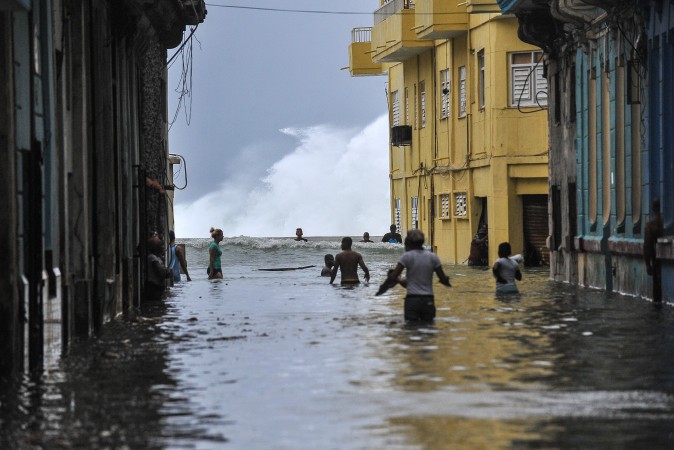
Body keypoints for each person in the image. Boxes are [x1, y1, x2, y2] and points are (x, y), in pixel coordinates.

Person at [381, 230, 450, 321]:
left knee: (411, 328)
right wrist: (447, 281)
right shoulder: (433, 257)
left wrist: (397, 279)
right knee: (428, 328)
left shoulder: (406, 257)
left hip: (412, 299)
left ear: (409, 243)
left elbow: (394, 276)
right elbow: (443, 279)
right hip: (428, 300)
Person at [644, 197, 664, 302]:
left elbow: (647, 246)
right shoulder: (665, 221)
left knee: (657, 298)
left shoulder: (650, 224)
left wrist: (648, 264)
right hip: (663, 261)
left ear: (653, 208)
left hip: (657, 263)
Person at [146, 236, 173, 301]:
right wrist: (168, 272)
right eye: (160, 245)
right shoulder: (152, 258)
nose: (162, 247)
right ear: (155, 248)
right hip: (154, 288)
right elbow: (162, 273)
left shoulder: (157, 258)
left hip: (157, 289)